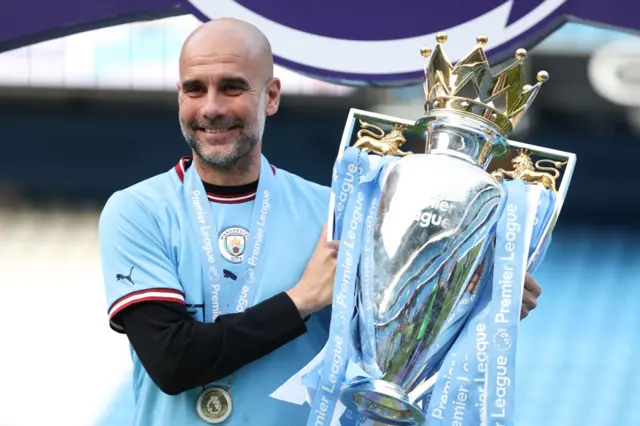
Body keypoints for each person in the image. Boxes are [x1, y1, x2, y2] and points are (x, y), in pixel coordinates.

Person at [98, 17, 542, 426]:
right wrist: (301, 301)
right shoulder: (139, 210)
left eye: (232, 87)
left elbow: (386, 369)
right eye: (195, 89)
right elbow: (173, 362)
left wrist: (477, 310)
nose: (211, 107)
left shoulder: (340, 211)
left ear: (270, 96)